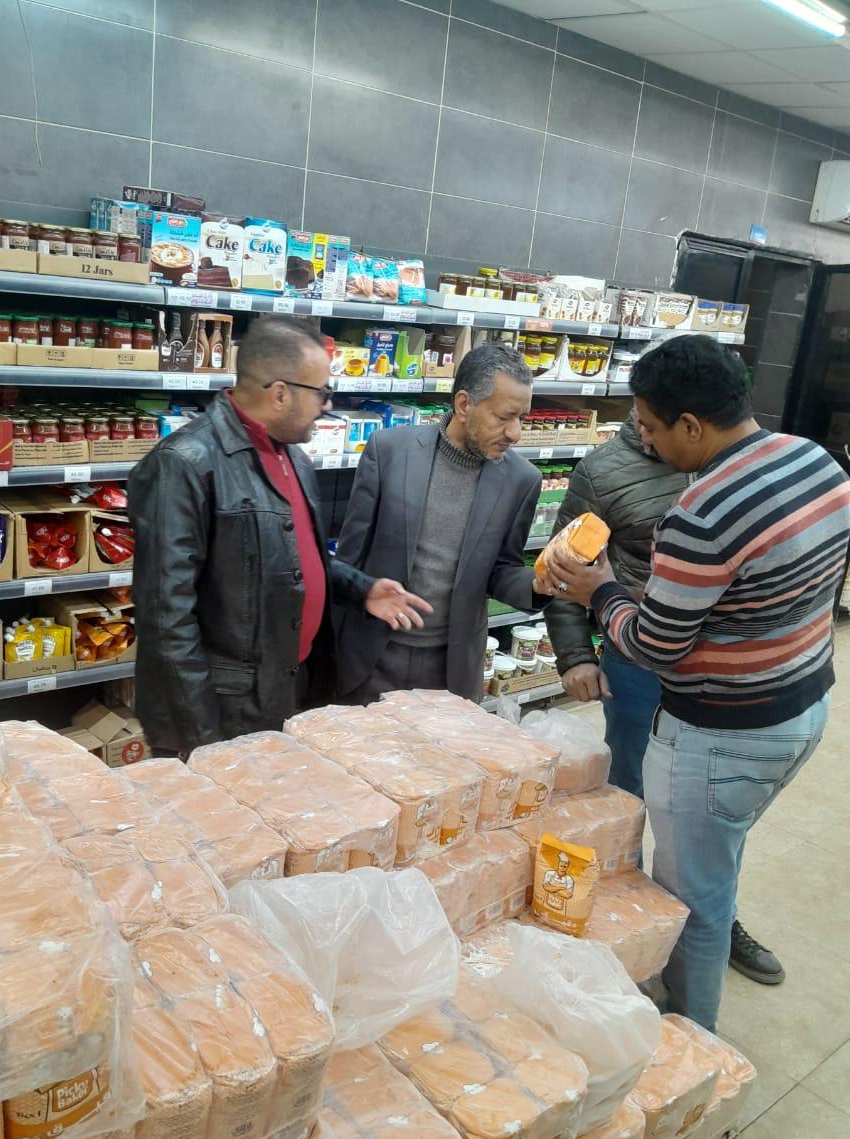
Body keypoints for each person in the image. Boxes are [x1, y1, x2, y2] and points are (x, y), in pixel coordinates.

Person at [538, 335, 850, 1031]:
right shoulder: (814, 459)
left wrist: (601, 591)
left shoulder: (703, 512)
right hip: (804, 705)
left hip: (723, 732)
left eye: (650, 426)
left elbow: (653, 646)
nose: (644, 439)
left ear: (690, 424)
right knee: (717, 856)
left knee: (694, 901)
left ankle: (690, 1042)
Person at [546, 404, 784, 988]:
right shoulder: (602, 471)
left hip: (715, 673)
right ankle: (624, 920)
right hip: (635, 662)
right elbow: (564, 566)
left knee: (712, 814)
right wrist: (575, 655)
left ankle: (714, 919)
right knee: (628, 793)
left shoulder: (733, 454)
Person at [128, 317, 431, 757]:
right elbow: (166, 621)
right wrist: (201, 746)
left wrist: (360, 588)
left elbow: (286, 558)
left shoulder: (293, 457)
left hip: (288, 689)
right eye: (322, 392)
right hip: (226, 712)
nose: (328, 405)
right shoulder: (183, 464)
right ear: (280, 393)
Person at [335, 343, 544, 702]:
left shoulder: (522, 480)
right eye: (504, 417)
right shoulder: (388, 451)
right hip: (370, 658)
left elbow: (502, 570)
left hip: (449, 670)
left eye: (521, 418)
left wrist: (541, 583)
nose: (515, 433)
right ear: (464, 404)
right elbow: (349, 559)